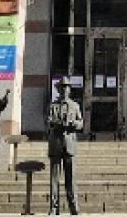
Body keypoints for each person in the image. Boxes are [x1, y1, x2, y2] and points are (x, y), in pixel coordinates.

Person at [47, 80, 83, 215]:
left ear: (69, 90)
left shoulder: (75, 106)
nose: (64, 90)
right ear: (58, 90)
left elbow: (81, 122)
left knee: (71, 179)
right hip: (56, 144)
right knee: (54, 179)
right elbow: (49, 121)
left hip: (69, 144)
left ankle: (73, 207)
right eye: (62, 88)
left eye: (66, 88)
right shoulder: (53, 105)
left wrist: (75, 124)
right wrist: (59, 123)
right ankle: (54, 208)